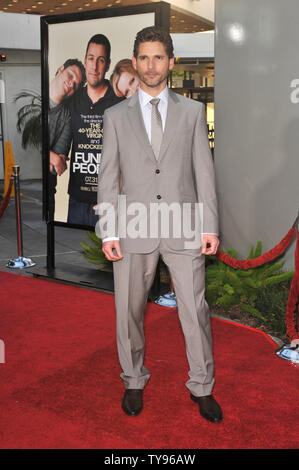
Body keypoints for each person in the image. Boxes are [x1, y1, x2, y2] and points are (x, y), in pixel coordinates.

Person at [97, 27, 222, 423]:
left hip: (183, 225)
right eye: (144, 58)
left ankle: (202, 386)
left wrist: (210, 225)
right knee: (128, 311)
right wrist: (109, 230)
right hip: (133, 227)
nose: (151, 66)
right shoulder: (115, 116)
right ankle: (133, 379)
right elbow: (108, 176)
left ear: (171, 61)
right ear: (135, 62)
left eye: (158, 57)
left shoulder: (191, 112)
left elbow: (205, 172)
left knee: (195, 310)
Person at [66, 34, 122, 226]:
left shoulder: (119, 100)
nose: (95, 66)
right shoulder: (72, 99)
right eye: (91, 58)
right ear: (85, 61)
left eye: (101, 60)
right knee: (73, 254)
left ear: (108, 65)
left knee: (109, 256)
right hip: (77, 200)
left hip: (109, 201)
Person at [48, 58, 85, 220]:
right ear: (60, 68)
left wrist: (54, 159)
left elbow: (56, 168)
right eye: (70, 76)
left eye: (76, 85)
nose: (71, 84)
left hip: (48, 191)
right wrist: (52, 156)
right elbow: (27, 148)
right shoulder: (33, 97)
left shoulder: (68, 116)